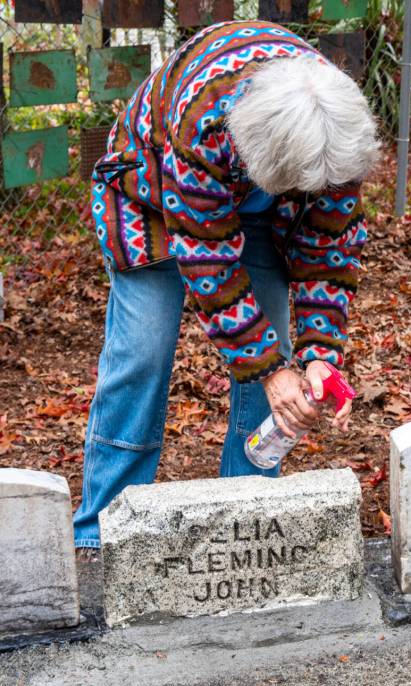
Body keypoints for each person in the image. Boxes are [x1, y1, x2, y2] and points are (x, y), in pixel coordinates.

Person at [72, 20, 380, 553]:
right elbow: (209, 260)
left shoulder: (334, 129)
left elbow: (328, 253)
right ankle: (104, 533)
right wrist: (266, 370)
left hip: (265, 196)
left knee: (279, 357)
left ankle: (248, 523)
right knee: (141, 353)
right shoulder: (205, 121)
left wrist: (318, 356)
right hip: (149, 190)